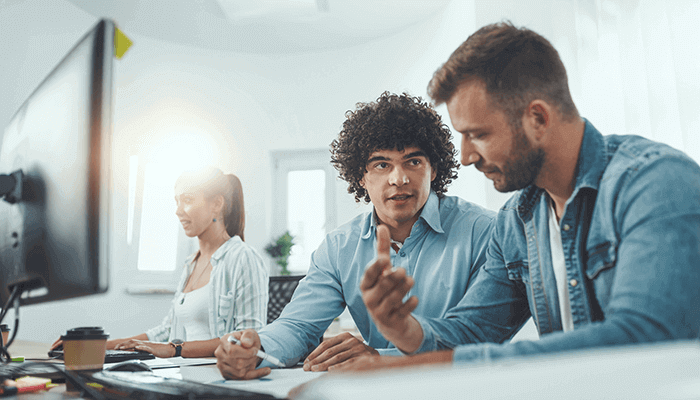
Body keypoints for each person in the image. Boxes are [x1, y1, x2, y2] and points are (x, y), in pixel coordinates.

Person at [337, 21, 700, 370]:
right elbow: (474, 332)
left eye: (477, 135)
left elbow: (645, 339)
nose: (465, 158)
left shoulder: (655, 182)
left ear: (538, 118)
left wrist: (401, 370)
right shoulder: (515, 221)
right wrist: (402, 329)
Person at [214, 92, 495, 379]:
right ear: (361, 176)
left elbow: (482, 336)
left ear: (433, 168)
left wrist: (381, 358)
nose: (398, 178)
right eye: (382, 165)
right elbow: (298, 326)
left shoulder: (483, 231)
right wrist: (255, 348)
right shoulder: (338, 248)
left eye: (413, 162)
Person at [51, 167, 269, 357]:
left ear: (217, 204)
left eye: (188, 200)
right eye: (176, 201)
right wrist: (98, 346)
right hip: (181, 373)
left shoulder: (243, 258)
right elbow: (166, 331)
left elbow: (247, 339)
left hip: (218, 378)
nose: (178, 210)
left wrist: (176, 350)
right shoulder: (191, 264)